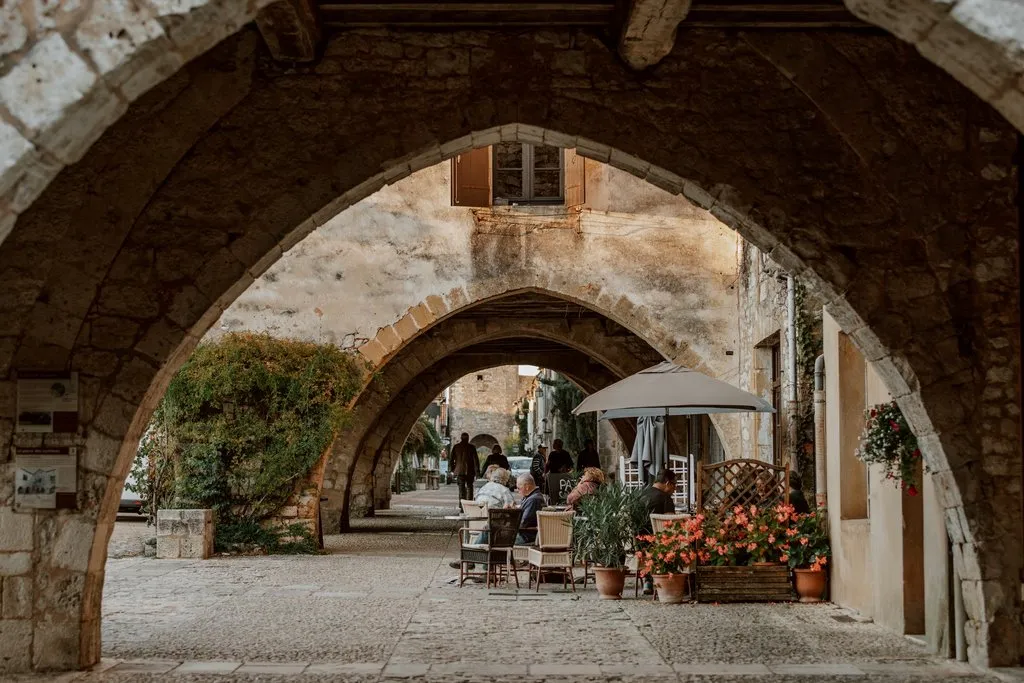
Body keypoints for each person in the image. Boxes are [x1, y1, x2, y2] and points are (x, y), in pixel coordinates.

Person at [639, 469, 677, 594]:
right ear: (667, 483)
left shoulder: (640, 494)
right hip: (657, 543)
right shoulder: (665, 498)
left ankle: (648, 580)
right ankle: (674, 579)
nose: (675, 489)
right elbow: (670, 524)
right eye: (674, 484)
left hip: (638, 542)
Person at [515, 473, 545, 545]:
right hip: (527, 534)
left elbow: (523, 523)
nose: (517, 491)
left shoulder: (533, 500)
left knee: (492, 536)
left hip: (526, 536)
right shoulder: (533, 497)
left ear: (527, 486)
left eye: (519, 488)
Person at [450, 432, 478, 502]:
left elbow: (451, 459)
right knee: (470, 488)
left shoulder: (456, 447)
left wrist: (453, 469)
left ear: (461, 438)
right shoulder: (472, 447)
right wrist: (477, 472)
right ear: (468, 439)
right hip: (470, 471)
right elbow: (476, 461)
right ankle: (469, 504)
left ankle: (462, 505)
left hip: (459, 471)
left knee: (461, 489)